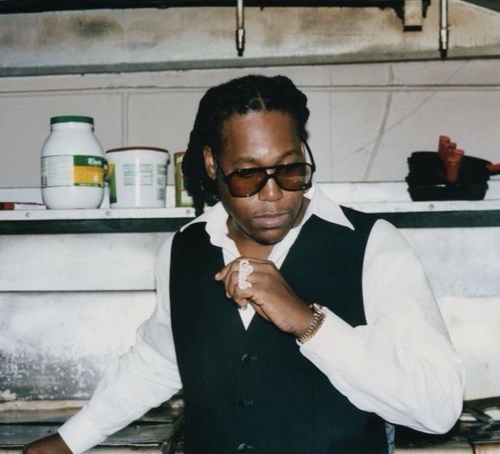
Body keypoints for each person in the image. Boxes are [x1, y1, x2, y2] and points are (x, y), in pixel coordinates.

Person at [24, 74, 465, 454]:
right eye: (248, 175)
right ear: (212, 164)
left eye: (289, 170)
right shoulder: (184, 249)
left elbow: (438, 407)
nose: (272, 195)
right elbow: (157, 361)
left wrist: (309, 324)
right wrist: (70, 440)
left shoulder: (373, 245)